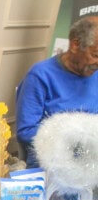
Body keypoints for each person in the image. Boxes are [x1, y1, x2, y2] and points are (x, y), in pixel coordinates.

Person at [16, 16, 98, 168]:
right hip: (54, 167)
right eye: (95, 55)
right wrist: (74, 142)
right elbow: (26, 131)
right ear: (75, 45)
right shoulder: (41, 75)